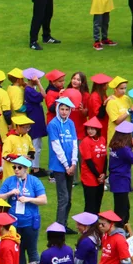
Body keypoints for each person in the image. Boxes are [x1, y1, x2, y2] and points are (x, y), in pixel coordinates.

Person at [46, 97, 77, 226]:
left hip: (71, 165)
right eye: (62, 109)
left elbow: (75, 144)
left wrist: (74, 163)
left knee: (69, 198)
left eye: (66, 109)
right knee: (63, 197)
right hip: (59, 166)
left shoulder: (71, 123)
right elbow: (56, 146)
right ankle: (59, 226)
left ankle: (64, 223)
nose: (64, 112)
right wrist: (66, 165)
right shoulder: (53, 124)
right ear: (58, 109)